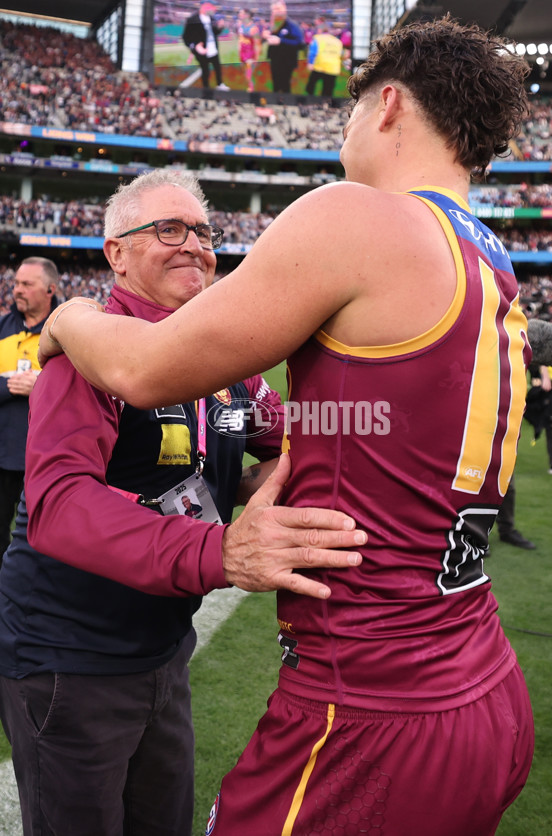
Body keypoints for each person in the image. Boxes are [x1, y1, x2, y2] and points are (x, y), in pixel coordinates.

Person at [40, 17, 534, 835]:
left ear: (385, 107)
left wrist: (66, 319)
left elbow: (142, 368)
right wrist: (298, 449)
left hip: (371, 704)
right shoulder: (491, 260)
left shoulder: (358, 216)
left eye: (345, 113)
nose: (340, 134)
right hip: (479, 676)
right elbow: (380, 414)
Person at [0, 169, 366, 836]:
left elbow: (289, 434)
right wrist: (221, 547)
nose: (194, 246)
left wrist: (394, 411)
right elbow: (60, 506)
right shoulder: (87, 356)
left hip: (163, 647)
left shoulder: (222, 369)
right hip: (70, 655)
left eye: (203, 232)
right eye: (168, 229)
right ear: (116, 252)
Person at [0, 256, 57, 563]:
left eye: (26, 284)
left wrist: (42, 387)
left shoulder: (66, 333)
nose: (17, 290)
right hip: (3, 456)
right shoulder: (2, 328)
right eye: (16, 283)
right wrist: (8, 386)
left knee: (42, 540)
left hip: (47, 457)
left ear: (50, 289)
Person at [181, 1, 229, 91]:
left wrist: (220, 27)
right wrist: (195, 46)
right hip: (202, 51)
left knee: (218, 68)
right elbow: (185, 37)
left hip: (214, 49)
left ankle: (220, 84)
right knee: (205, 71)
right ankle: (206, 89)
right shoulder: (192, 19)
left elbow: (214, 33)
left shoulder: (211, 18)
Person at [263, 0, 304, 93]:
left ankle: (286, 104)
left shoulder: (292, 25)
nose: (275, 11)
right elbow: (270, 39)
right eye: (273, 9)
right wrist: (266, 36)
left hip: (287, 61)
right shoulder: (274, 25)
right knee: (276, 84)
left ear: (284, 9)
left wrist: (280, 41)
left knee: (285, 85)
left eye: (277, 9)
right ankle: (276, 103)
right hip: (275, 59)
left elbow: (300, 44)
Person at [305, 18, 345, 98]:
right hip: (333, 68)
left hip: (320, 66)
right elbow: (341, 54)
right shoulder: (338, 41)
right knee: (328, 89)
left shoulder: (317, 39)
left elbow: (312, 52)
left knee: (311, 86)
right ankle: (325, 105)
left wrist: (310, 63)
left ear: (320, 30)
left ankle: (310, 101)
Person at [236, 8, 261, 92]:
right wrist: (239, 52)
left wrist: (256, 58)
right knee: (244, 72)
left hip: (250, 53)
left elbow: (257, 44)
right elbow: (240, 40)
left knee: (249, 73)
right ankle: (249, 85)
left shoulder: (254, 28)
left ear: (247, 15)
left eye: (241, 13)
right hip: (242, 53)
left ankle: (251, 89)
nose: (239, 15)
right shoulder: (241, 26)